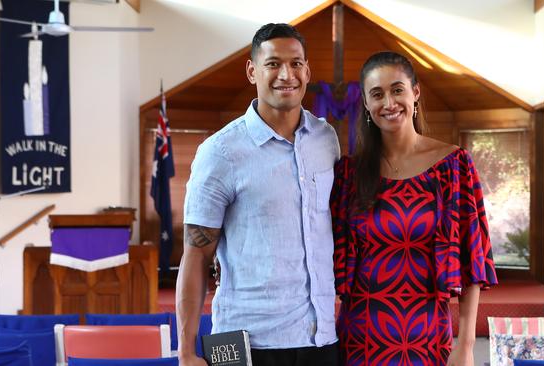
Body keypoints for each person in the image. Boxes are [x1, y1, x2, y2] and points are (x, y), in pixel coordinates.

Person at [177, 23, 340, 366]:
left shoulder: (325, 139)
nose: (287, 74)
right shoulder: (220, 152)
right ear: (252, 71)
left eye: (296, 63)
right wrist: (186, 351)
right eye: (273, 64)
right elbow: (195, 255)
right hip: (245, 342)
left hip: (321, 338)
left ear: (307, 70)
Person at [331, 51, 498, 366]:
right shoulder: (349, 173)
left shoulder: (453, 165)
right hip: (361, 338)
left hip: (427, 336)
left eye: (397, 90)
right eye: (377, 94)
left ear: (415, 93)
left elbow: (473, 259)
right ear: (366, 104)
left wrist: (465, 346)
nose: (389, 103)